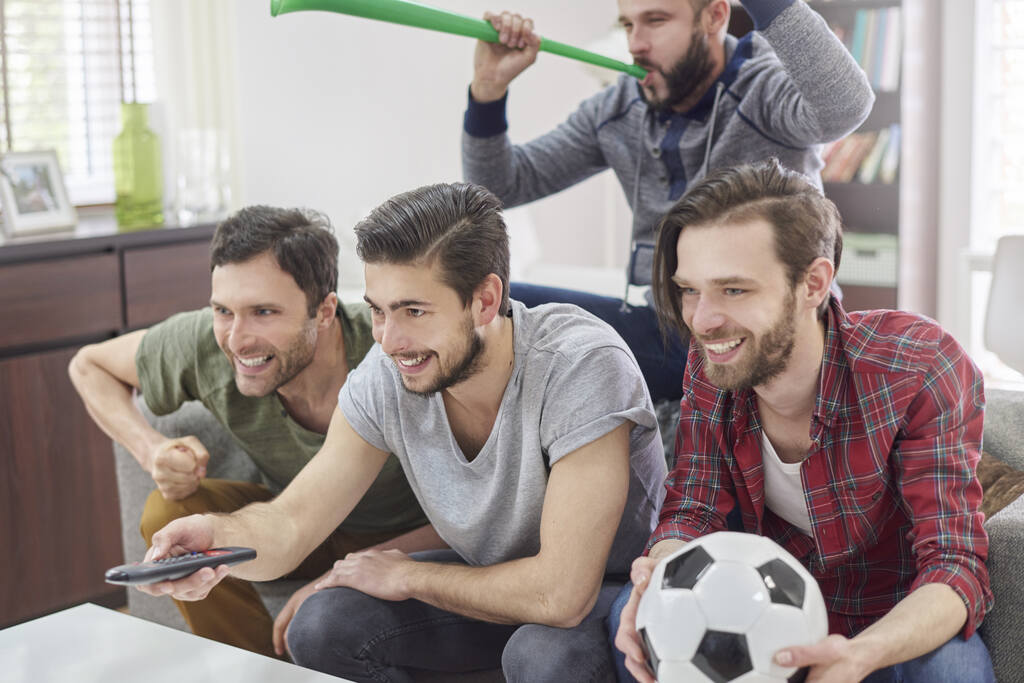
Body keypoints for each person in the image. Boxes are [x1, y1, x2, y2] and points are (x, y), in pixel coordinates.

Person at [135, 182, 668, 682]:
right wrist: (215, 539)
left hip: (609, 588)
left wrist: (409, 576)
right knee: (324, 625)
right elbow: (291, 523)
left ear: (484, 300)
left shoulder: (579, 363)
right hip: (490, 580)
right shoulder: (388, 374)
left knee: (542, 652)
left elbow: (561, 594)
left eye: (414, 310)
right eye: (379, 313)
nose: (390, 341)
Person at [612, 159, 995, 682]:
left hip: (887, 629)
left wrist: (861, 655)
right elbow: (692, 511)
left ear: (814, 283)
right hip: (756, 624)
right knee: (622, 624)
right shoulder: (714, 367)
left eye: (734, 290)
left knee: (953, 668)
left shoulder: (919, 366)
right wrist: (662, 581)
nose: (701, 320)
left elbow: (954, 567)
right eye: (690, 290)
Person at [462, 0, 875, 402]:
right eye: (627, 25)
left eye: (655, 21)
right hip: (672, 334)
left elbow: (846, 105)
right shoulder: (619, 107)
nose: (636, 44)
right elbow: (500, 186)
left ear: (714, 16)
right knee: (481, 301)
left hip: (775, 332)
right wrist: (488, 91)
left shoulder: (763, 87)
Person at [68, 206, 434, 659]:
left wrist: (343, 574)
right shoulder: (209, 343)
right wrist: (152, 450)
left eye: (264, 311)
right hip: (290, 526)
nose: (238, 340)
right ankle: (253, 664)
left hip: (407, 537)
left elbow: (471, 520)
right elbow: (89, 365)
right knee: (170, 513)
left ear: (324, 311)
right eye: (224, 310)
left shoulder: (394, 356)